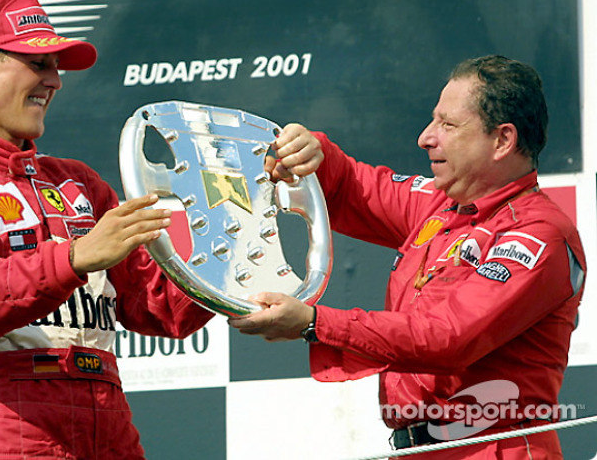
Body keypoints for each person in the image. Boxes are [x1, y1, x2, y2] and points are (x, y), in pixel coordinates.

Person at [0, 0, 214, 459]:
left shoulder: (79, 183)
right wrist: (74, 258)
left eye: (55, 65)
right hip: (11, 423)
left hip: (109, 420)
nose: (53, 80)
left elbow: (160, 306)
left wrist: (231, 240)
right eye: (36, 62)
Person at [229, 55, 586, 458]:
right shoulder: (439, 205)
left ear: (502, 140)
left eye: (448, 125)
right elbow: (350, 187)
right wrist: (311, 153)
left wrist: (315, 323)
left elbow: (448, 337)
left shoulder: (538, 233)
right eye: (434, 120)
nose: (426, 137)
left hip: (494, 449)